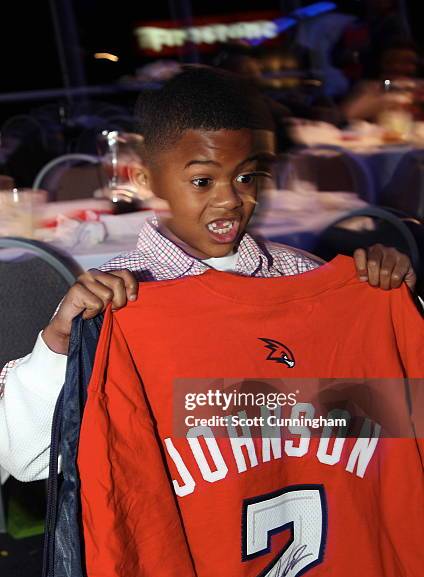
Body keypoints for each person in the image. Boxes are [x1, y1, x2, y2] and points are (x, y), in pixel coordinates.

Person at [0, 66, 417, 482]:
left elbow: (385, 418)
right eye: (202, 180)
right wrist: (58, 343)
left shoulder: (301, 276)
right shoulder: (114, 300)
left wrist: (394, 304)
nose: (230, 199)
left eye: (247, 176)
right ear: (146, 179)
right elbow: (28, 460)